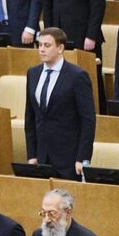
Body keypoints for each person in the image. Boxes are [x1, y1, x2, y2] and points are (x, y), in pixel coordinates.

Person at [26, 29, 97, 181]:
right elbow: (30, 117)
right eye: (39, 45)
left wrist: (82, 157)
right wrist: (32, 154)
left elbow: (88, 120)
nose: (42, 49)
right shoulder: (33, 73)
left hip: (68, 157)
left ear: (60, 48)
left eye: (47, 45)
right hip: (42, 156)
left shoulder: (77, 76)